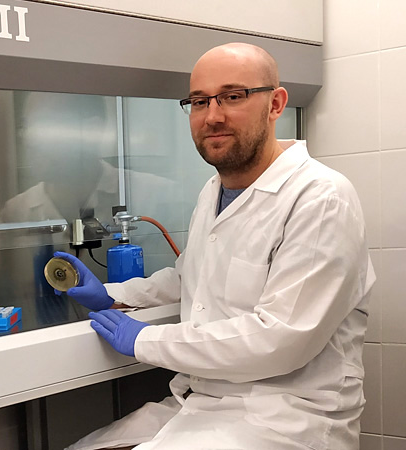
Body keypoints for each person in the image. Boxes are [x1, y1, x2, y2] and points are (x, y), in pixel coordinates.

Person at [56, 42, 375, 450]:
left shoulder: (320, 198)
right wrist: (113, 296)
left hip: (286, 417)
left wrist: (143, 340)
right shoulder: (214, 191)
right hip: (201, 403)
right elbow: (191, 275)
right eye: (199, 101)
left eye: (233, 96)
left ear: (276, 104)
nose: (213, 116)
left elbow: (277, 340)